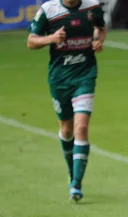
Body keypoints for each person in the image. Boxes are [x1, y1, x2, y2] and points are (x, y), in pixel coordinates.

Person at [27, 0, 107, 202]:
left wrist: (98, 41)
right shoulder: (49, 10)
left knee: (81, 128)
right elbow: (31, 41)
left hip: (85, 76)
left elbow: (101, 28)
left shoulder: (92, 7)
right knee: (67, 129)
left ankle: (76, 184)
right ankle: (72, 171)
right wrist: (51, 38)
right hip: (59, 79)